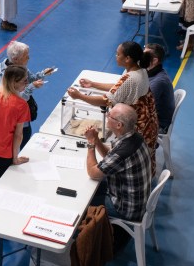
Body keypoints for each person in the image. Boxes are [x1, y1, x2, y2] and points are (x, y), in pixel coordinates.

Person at [67, 41, 159, 173]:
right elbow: (118, 88)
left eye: (118, 54)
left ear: (127, 58)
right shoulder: (140, 71)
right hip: (149, 125)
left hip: (139, 129)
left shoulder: (130, 78)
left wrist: (79, 96)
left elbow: (106, 101)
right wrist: (93, 84)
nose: (115, 56)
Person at [85, 104, 152, 223]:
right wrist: (96, 140)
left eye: (110, 115)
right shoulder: (134, 137)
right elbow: (109, 156)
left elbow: (92, 173)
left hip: (126, 210)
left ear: (119, 125)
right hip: (138, 202)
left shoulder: (123, 151)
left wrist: (90, 144)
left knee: (84, 201)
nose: (107, 115)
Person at [0, 41, 55, 148]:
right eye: (26, 56)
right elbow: (16, 98)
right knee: (22, 137)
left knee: (25, 135)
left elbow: (30, 78)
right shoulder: (6, 74)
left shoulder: (20, 66)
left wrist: (43, 74)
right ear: (16, 59)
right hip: (14, 113)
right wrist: (32, 87)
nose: (29, 58)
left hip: (23, 111)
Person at [143, 43, 175, 133]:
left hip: (158, 125)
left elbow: (144, 107)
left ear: (155, 60)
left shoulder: (158, 82)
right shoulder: (151, 72)